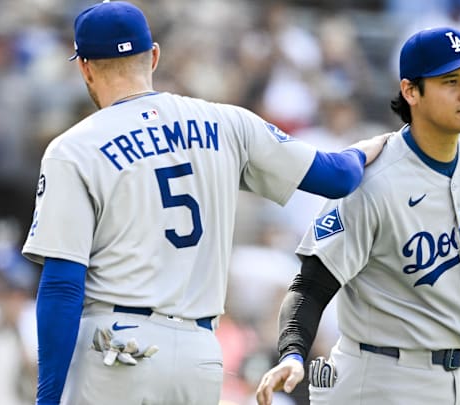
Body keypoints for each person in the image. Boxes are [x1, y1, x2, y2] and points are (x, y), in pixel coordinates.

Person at [20, 2, 388, 405]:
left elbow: (61, 284)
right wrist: (366, 149)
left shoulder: (74, 148)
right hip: (201, 357)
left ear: (85, 67)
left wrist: (47, 397)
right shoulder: (228, 122)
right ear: (154, 56)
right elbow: (336, 177)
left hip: (117, 349)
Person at [255, 27, 460, 405]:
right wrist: (293, 353)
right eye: (450, 81)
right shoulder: (374, 182)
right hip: (376, 379)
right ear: (411, 91)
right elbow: (310, 286)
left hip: (454, 380)